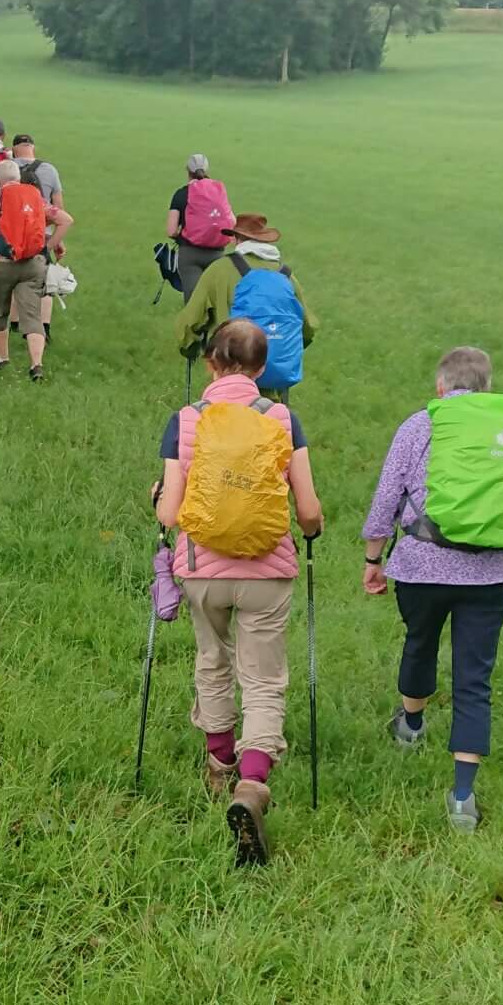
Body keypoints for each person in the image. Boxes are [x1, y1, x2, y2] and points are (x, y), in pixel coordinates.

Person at [152, 316, 324, 868]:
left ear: (211, 363)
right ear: (261, 367)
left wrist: (158, 497)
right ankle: (252, 783)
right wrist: (313, 529)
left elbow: (169, 512)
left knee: (213, 661)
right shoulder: (282, 419)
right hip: (267, 572)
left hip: (202, 571)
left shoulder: (186, 420)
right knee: (263, 676)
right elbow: (308, 509)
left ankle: (219, 764)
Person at [361, 345, 503, 832]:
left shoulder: (420, 425)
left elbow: (386, 498)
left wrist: (373, 559)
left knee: (420, 641)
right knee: (474, 678)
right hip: (492, 573)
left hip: (421, 566)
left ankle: (411, 725)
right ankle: (463, 798)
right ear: (487, 387)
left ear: (440, 386)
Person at [0, 156, 73, 382]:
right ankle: (36, 365)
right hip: (31, 264)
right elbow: (66, 220)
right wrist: (47, 246)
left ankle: (3, 359)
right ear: (18, 178)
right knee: (32, 314)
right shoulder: (34, 198)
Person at [175, 213, 315, 394]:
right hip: (274, 380)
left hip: (228, 375)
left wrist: (190, 349)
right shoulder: (285, 275)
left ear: (236, 238)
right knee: (270, 411)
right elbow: (308, 327)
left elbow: (190, 322)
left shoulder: (220, 269)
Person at [11, 133, 67, 340]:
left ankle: (14, 323)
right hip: (41, 236)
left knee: (14, 279)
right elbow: (59, 208)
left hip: (13, 235)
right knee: (44, 283)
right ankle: (45, 329)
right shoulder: (49, 170)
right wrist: (56, 242)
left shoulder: (6, 169)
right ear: (33, 148)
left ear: (14, 149)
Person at [166, 156, 236, 302]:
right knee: (217, 302)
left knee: (194, 303)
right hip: (217, 254)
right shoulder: (217, 191)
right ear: (206, 169)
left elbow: (171, 230)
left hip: (190, 254)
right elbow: (232, 222)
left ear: (188, 170)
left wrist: (181, 236)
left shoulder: (181, 194)